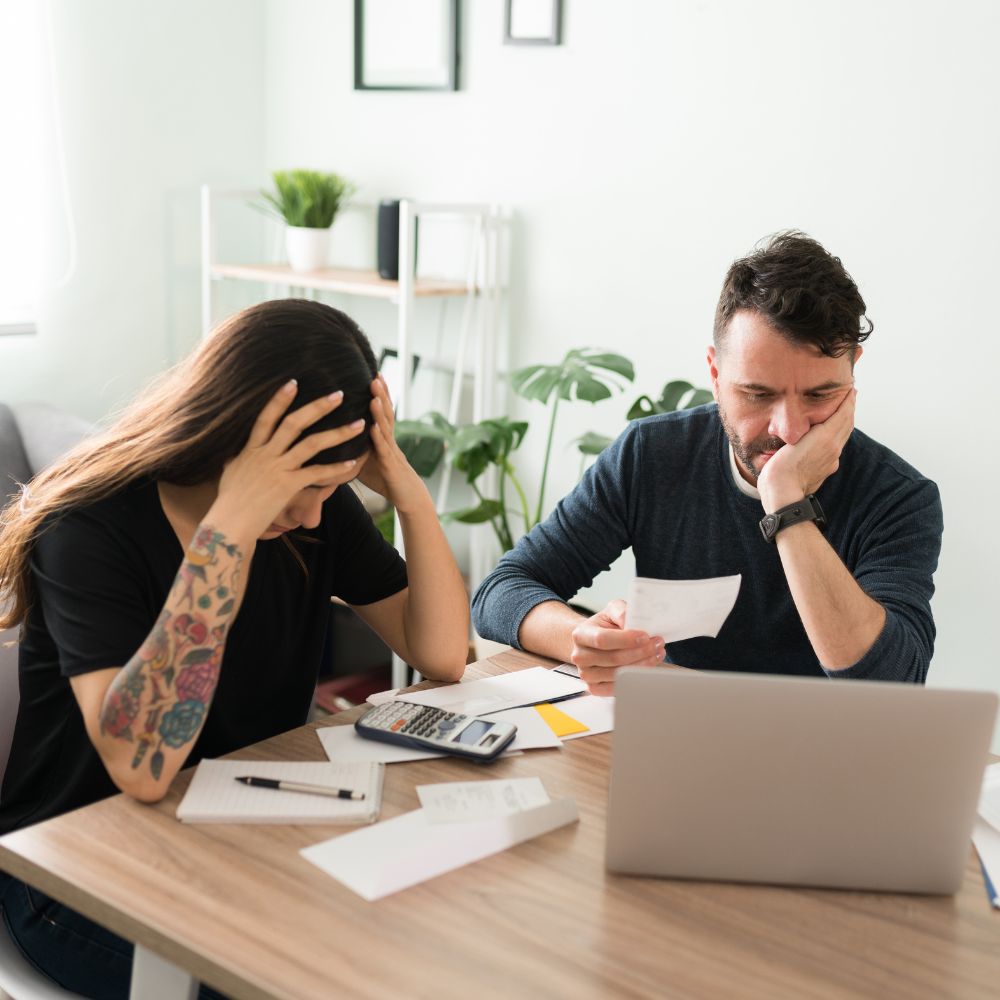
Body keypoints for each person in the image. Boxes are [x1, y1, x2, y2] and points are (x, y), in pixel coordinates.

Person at [0, 298, 469, 998]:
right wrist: (234, 526)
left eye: (333, 486)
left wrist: (409, 495)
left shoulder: (313, 512)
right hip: (77, 874)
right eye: (305, 486)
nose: (315, 512)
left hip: (249, 833)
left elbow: (442, 653)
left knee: (417, 946)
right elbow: (144, 768)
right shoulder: (88, 529)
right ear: (232, 441)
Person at [472, 231, 942, 695]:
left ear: (853, 369)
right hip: (678, 729)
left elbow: (891, 681)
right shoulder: (653, 454)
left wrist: (787, 503)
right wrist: (583, 640)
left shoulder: (897, 496)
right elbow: (501, 591)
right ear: (715, 374)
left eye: (821, 394)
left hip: (823, 750)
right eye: (757, 394)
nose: (789, 429)